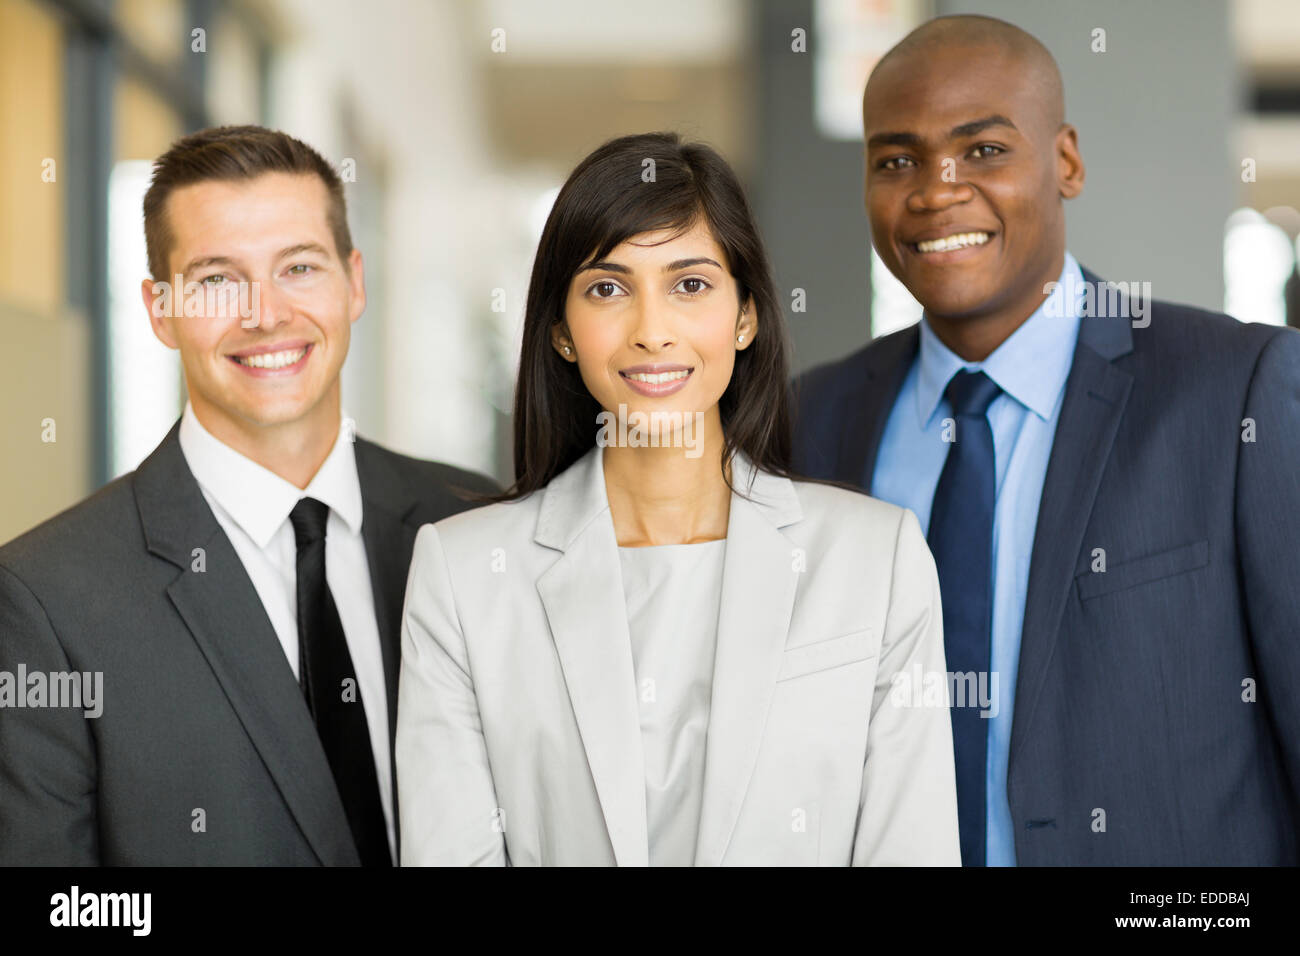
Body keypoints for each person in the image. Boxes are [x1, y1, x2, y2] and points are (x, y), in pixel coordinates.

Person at [793, 15, 1300, 866]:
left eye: (983, 150)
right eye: (896, 160)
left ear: (1064, 161)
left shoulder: (1237, 387)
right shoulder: (812, 419)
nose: (935, 190)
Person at [396, 131, 959, 866]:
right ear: (562, 331)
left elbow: (909, 849)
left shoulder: (875, 559)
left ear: (746, 315)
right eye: (608, 288)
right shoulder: (464, 574)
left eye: (690, 284)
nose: (652, 331)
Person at [0, 125, 497, 865]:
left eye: (299, 266)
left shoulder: (473, 522)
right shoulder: (47, 599)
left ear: (353, 281)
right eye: (216, 279)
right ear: (160, 309)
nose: (265, 313)